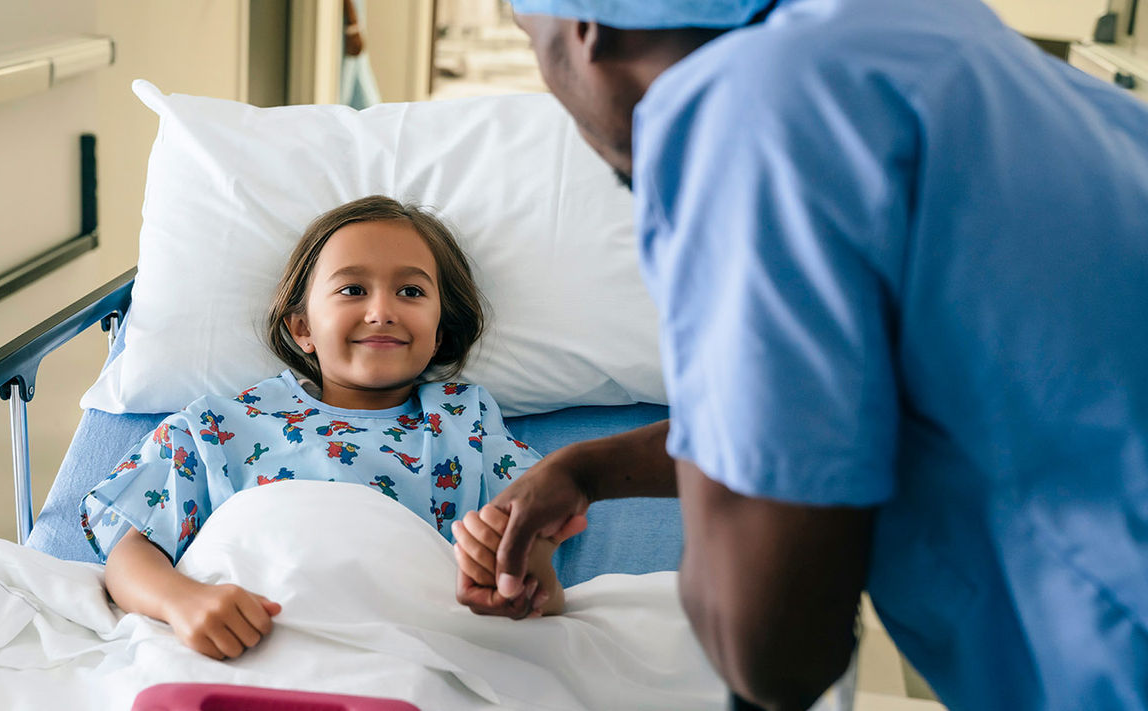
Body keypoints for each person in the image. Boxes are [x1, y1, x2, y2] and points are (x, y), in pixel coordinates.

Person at [451, 1, 1148, 709]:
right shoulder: (915, 30)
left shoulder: (752, 119)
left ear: (586, 29)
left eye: (531, 41)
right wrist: (588, 469)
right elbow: (831, 408)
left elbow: (775, 649)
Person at [82, 195, 571, 661]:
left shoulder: (465, 423)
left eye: (411, 291)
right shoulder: (218, 428)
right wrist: (182, 603)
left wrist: (528, 576)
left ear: (439, 331)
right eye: (352, 290)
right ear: (303, 329)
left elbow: (529, 547)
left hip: (408, 645)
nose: (381, 311)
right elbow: (131, 552)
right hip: (248, 643)